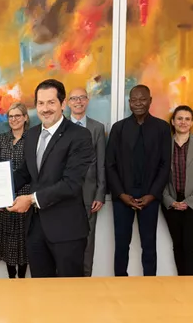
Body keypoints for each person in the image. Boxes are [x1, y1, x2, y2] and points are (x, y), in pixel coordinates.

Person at [8, 79, 94, 278]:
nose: (45, 109)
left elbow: (71, 184)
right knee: (41, 294)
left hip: (67, 230)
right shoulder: (31, 135)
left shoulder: (80, 136)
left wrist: (30, 199)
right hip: (35, 230)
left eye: (51, 102)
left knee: (70, 295)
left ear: (63, 104)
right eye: (40, 103)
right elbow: (25, 172)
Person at [106, 85, 171, 277]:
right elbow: (110, 165)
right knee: (121, 244)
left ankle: (150, 283)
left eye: (142, 99)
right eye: (134, 100)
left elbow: (165, 164)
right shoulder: (119, 128)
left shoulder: (162, 128)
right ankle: (119, 282)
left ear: (150, 101)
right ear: (129, 103)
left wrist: (152, 195)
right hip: (122, 197)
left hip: (150, 196)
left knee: (149, 244)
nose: (138, 104)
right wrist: (121, 194)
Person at [161, 105, 193, 276]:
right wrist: (169, 200)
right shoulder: (164, 144)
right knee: (178, 244)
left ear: (191, 123)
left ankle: (192, 286)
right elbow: (158, 175)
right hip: (171, 202)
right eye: (179, 118)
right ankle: (181, 284)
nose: (183, 122)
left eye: (187, 119)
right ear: (173, 121)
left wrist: (189, 202)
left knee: (191, 245)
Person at [67, 87, 107, 277]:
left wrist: (100, 193)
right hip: (64, 194)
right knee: (65, 240)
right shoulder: (60, 126)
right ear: (67, 103)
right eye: (74, 98)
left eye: (82, 98)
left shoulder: (97, 128)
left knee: (87, 241)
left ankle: (85, 280)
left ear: (87, 100)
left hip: (89, 194)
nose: (78, 102)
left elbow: (101, 162)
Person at [0, 102, 31, 278]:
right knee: (7, 242)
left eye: (17, 116)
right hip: (4, 197)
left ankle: (22, 279)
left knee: (24, 242)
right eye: (11, 116)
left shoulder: (33, 138)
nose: (14, 120)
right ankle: (11, 279)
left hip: (25, 197)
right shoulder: (1, 139)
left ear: (25, 118)